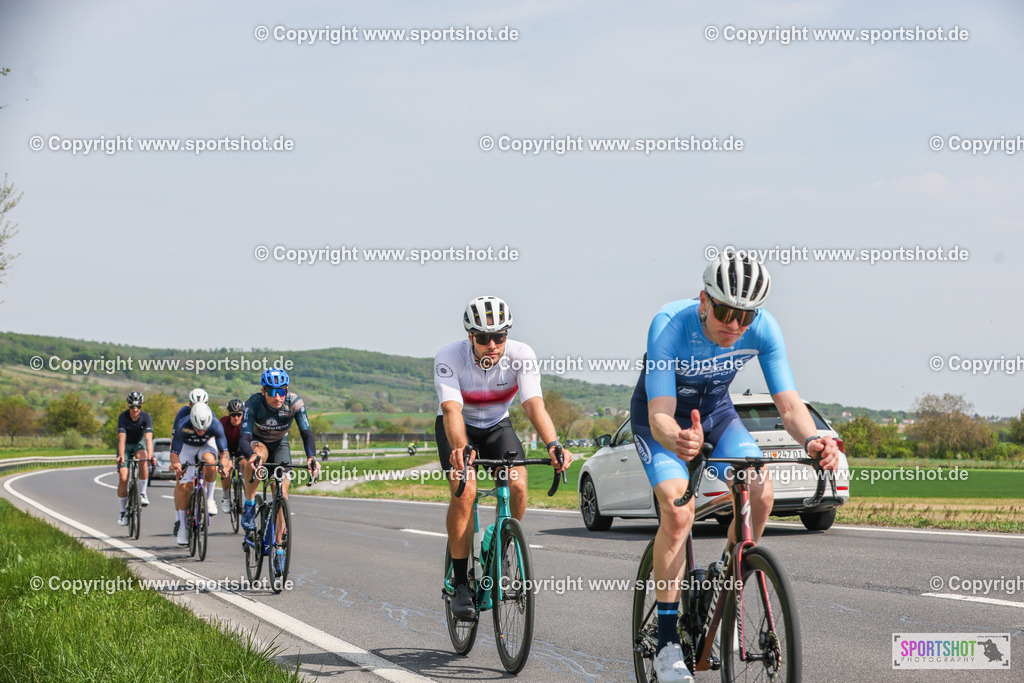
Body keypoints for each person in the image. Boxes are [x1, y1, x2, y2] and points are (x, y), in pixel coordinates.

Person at [630, 253, 840, 683]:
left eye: (746, 315)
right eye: (726, 312)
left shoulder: (763, 328)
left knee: (762, 493)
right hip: (664, 420)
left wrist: (813, 439)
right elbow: (659, 415)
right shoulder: (669, 324)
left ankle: (726, 576)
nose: (736, 325)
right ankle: (668, 643)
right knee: (678, 511)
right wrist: (677, 440)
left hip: (716, 415)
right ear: (704, 300)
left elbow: (788, 404)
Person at [435, 295, 572, 619]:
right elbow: (451, 410)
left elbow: (533, 403)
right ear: (470, 337)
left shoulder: (521, 355)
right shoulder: (449, 357)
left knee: (519, 485)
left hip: (497, 426)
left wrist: (553, 443)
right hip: (457, 427)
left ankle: (499, 541)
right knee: (465, 490)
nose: (492, 344)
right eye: (483, 338)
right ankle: (460, 584)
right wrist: (460, 448)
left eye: (499, 336)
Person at [239, 368, 321, 574]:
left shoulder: (294, 403)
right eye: (272, 392)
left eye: (281, 391)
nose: (277, 397)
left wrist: (312, 457)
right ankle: (249, 504)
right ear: (263, 391)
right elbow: (244, 437)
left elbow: (306, 433)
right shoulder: (253, 403)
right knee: (259, 455)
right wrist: (250, 455)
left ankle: (279, 548)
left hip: (280, 444)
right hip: (258, 443)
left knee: (282, 492)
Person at [168, 403, 230, 546]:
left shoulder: (215, 424)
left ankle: (209, 498)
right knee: (185, 487)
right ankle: (182, 528)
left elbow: (224, 452)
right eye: (197, 428)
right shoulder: (182, 425)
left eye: (204, 429)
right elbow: (174, 453)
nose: (201, 431)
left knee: (211, 461)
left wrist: (223, 465)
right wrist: (177, 465)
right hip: (187, 448)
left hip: (205, 446)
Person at [115, 391, 154, 525]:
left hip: (139, 443)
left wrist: (151, 455)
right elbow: (121, 438)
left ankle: (142, 493)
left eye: (138, 407)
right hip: (125, 446)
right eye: (132, 407)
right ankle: (122, 512)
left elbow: (148, 438)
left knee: (143, 459)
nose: (135, 410)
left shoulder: (146, 417)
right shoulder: (123, 417)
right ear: (128, 406)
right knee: (124, 477)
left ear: (141, 406)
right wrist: (121, 456)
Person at [216, 398, 244, 513]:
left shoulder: (247, 422)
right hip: (225, 448)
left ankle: (248, 499)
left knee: (244, 465)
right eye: (233, 415)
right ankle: (226, 497)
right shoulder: (222, 423)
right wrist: (224, 460)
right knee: (226, 469)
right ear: (228, 414)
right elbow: (217, 442)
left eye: (239, 415)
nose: (236, 418)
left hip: (240, 447)